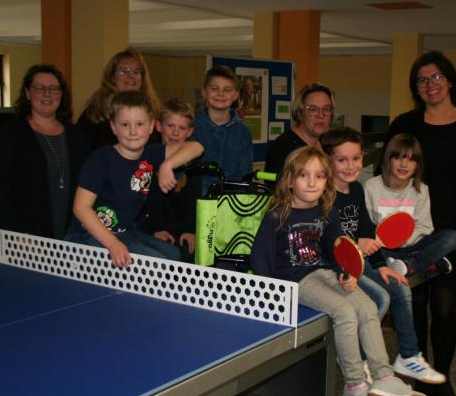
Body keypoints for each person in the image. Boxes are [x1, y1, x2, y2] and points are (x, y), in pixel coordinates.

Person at [250, 146, 429, 396]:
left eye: (319, 176)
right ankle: (355, 386)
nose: (312, 183)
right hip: (295, 281)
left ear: (327, 180)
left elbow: (336, 251)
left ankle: (383, 377)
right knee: (345, 311)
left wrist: (346, 274)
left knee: (367, 306)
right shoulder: (277, 216)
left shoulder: (326, 212)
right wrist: (271, 298)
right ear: (289, 179)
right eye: (303, 175)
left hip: (324, 273)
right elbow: (259, 258)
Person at [376, 51, 456, 396]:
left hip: (453, 230)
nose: (430, 85)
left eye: (436, 77)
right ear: (415, 87)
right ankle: (419, 375)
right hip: (408, 233)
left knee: (444, 309)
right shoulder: (405, 124)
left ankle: (442, 377)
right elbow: (384, 174)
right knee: (413, 307)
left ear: (450, 80)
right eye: (421, 80)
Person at [363, 132, 456, 385]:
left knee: (451, 237)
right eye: (398, 158)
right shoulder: (371, 187)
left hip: (411, 250)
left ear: (417, 165)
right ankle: (431, 263)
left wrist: (404, 241)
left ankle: (412, 265)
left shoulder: (421, 190)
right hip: (382, 251)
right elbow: (365, 228)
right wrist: (384, 240)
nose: (404, 165)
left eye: (411, 160)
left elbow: (426, 227)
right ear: (388, 160)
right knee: (391, 261)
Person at [67, 91, 204, 267]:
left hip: (124, 231)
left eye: (139, 124)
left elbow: (196, 147)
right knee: (161, 265)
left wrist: (167, 165)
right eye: (125, 124)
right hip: (89, 236)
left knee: (173, 254)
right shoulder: (101, 159)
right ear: (114, 127)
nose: (132, 131)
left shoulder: (150, 154)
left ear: (151, 127)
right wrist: (113, 244)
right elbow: (81, 208)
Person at [0, 64, 88, 240]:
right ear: (27, 93)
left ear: (61, 94)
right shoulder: (9, 134)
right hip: (24, 235)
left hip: (72, 233)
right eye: (39, 88)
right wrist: (15, 233)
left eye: (54, 88)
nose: (47, 94)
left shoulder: (76, 136)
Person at [318, 127, 390, 321]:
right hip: (332, 267)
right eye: (342, 160)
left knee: (397, 290)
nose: (351, 166)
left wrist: (381, 264)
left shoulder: (357, 189)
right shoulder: (320, 195)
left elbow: (366, 229)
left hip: (355, 262)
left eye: (356, 158)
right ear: (327, 160)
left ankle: (408, 351)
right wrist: (358, 243)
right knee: (380, 299)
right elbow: (323, 243)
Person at [135, 98, 198, 262]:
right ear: (158, 126)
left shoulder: (196, 163)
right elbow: (141, 205)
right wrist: (154, 230)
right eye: (170, 126)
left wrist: (190, 230)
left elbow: (195, 201)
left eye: (182, 128)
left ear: (189, 132)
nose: (176, 133)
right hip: (152, 229)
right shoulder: (146, 158)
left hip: (183, 230)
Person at [75, 47, 161, 150]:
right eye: (124, 71)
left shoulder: (151, 109)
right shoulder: (97, 110)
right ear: (111, 76)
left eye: (136, 71)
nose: (131, 76)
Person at [189, 65, 253, 194]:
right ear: (204, 92)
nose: (220, 94)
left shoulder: (243, 132)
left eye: (227, 90)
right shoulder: (191, 126)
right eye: (214, 88)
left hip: (231, 203)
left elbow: (245, 174)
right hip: (195, 203)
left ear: (235, 95)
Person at [264, 83, 334, 183]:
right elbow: (278, 192)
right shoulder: (283, 147)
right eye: (313, 109)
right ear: (300, 112)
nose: (321, 115)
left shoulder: (328, 143)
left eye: (326, 109)